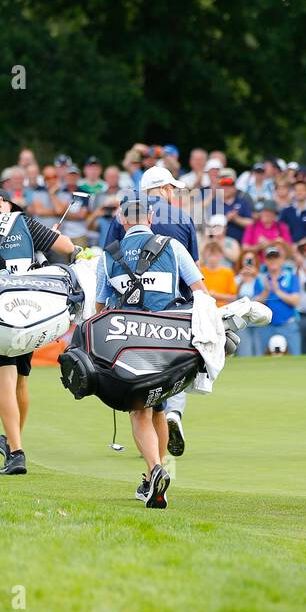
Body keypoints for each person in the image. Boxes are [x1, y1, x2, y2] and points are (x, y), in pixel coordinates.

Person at [93, 198, 206, 509]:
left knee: (139, 410)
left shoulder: (107, 257)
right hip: (168, 340)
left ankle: (156, 470)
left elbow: (100, 309)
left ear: (121, 219)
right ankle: (155, 479)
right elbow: (200, 292)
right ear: (152, 217)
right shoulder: (172, 246)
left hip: (129, 343)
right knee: (158, 407)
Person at [0, 187, 74, 475]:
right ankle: (12, 442)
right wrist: (46, 238)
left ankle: (16, 451)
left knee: (4, 381)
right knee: (21, 381)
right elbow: (67, 247)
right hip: (29, 310)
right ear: (1, 203)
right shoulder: (23, 223)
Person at [102, 163, 199, 457]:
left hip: (131, 313)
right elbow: (193, 269)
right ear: (166, 188)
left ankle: (151, 443)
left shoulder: (124, 215)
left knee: (140, 371)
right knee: (176, 366)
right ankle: (173, 413)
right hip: (175, 307)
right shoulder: (182, 216)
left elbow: (108, 259)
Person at [257, 246, 302, 356]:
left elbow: (296, 301)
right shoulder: (261, 279)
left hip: (288, 324)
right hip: (266, 325)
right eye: (270, 258)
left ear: (282, 260)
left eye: (276, 258)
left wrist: (278, 291)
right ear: (265, 261)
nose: (273, 261)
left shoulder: (290, 277)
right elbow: (256, 304)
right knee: (262, 358)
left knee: (295, 356)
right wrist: (266, 291)